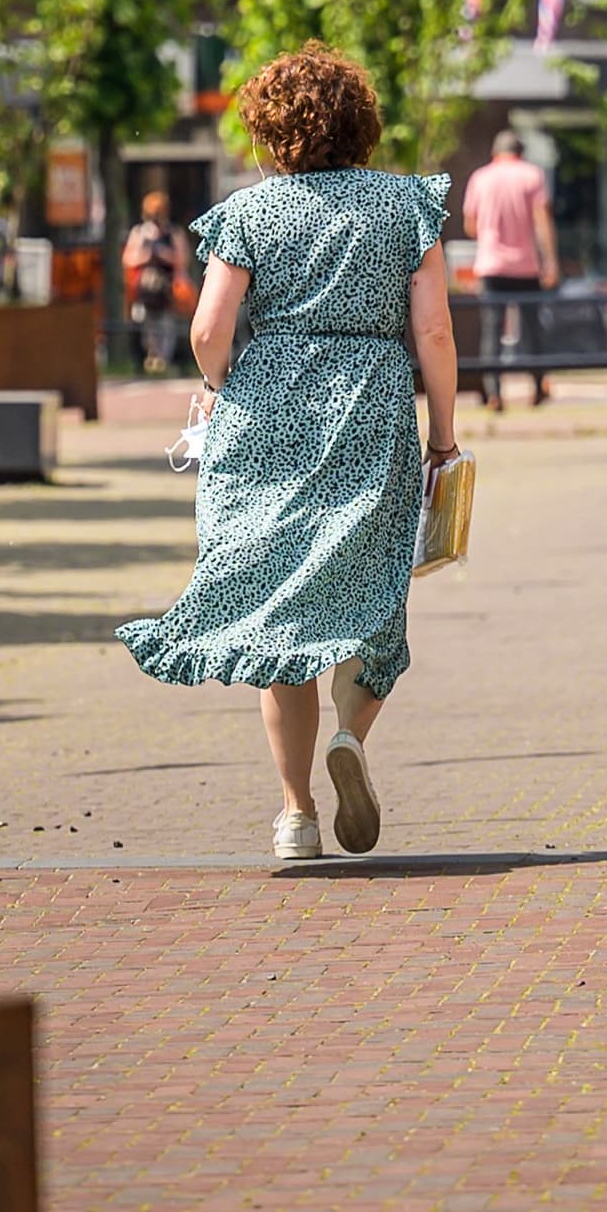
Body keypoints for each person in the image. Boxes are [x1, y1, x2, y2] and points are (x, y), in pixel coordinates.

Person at [117, 48, 460, 864]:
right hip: (370, 406)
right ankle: (351, 735)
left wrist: (219, 386)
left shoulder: (250, 212)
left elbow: (208, 330)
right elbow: (435, 331)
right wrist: (442, 436)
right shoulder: (407, 206)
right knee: (374, 594)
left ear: (271, 132)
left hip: (267, 412)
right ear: (362, 123)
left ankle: (296, 815)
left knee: (279, 614)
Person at [462, 126, 559, 400]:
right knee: (532, 328)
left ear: (495, 152)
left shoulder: (480, 178)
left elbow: (471, 225)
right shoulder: (532, 175)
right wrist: (550, 262)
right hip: (526, 265)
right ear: (521, 152)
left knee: (492, 329)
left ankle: (493, 392)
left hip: (491, 264)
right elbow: (542, 221)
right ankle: (538, 386)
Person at [120, 191, 191, 376]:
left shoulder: (173, 233)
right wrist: (147, 253)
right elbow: (128, 259)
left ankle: (164, 360)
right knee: (145, 322)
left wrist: (163, 254)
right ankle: (151, 357)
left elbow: (183, 259)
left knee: (167, 324)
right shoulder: (139, 233)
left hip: (167, 287)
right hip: (145, 287)